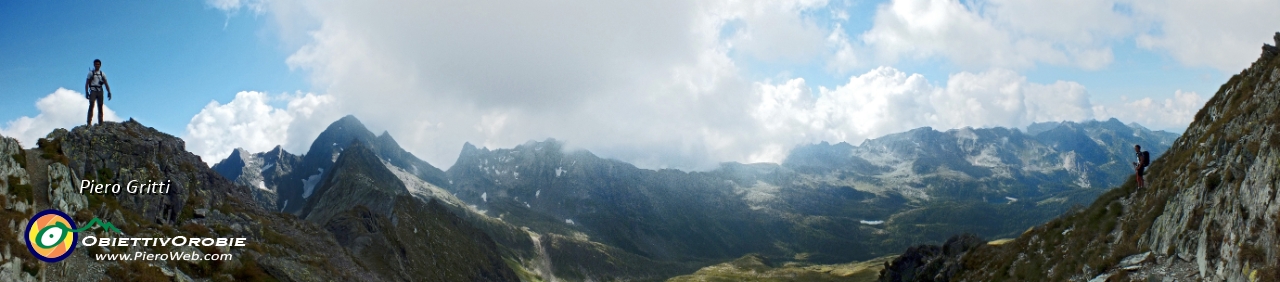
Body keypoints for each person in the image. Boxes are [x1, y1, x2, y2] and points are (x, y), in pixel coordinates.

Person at [84, 59, 112, 126]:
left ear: (100, 65)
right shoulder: (91, 73)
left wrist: (109, 92)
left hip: (100, 91)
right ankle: (89, 122)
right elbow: (87, 83)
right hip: (93, 90)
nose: (97, 65)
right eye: (96, 64)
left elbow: (106, 83)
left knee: (100, 106)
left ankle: (100, 123)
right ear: (94, 65)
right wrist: (87, 92)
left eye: (98, 64)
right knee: (91, 106)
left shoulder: (102, 74)